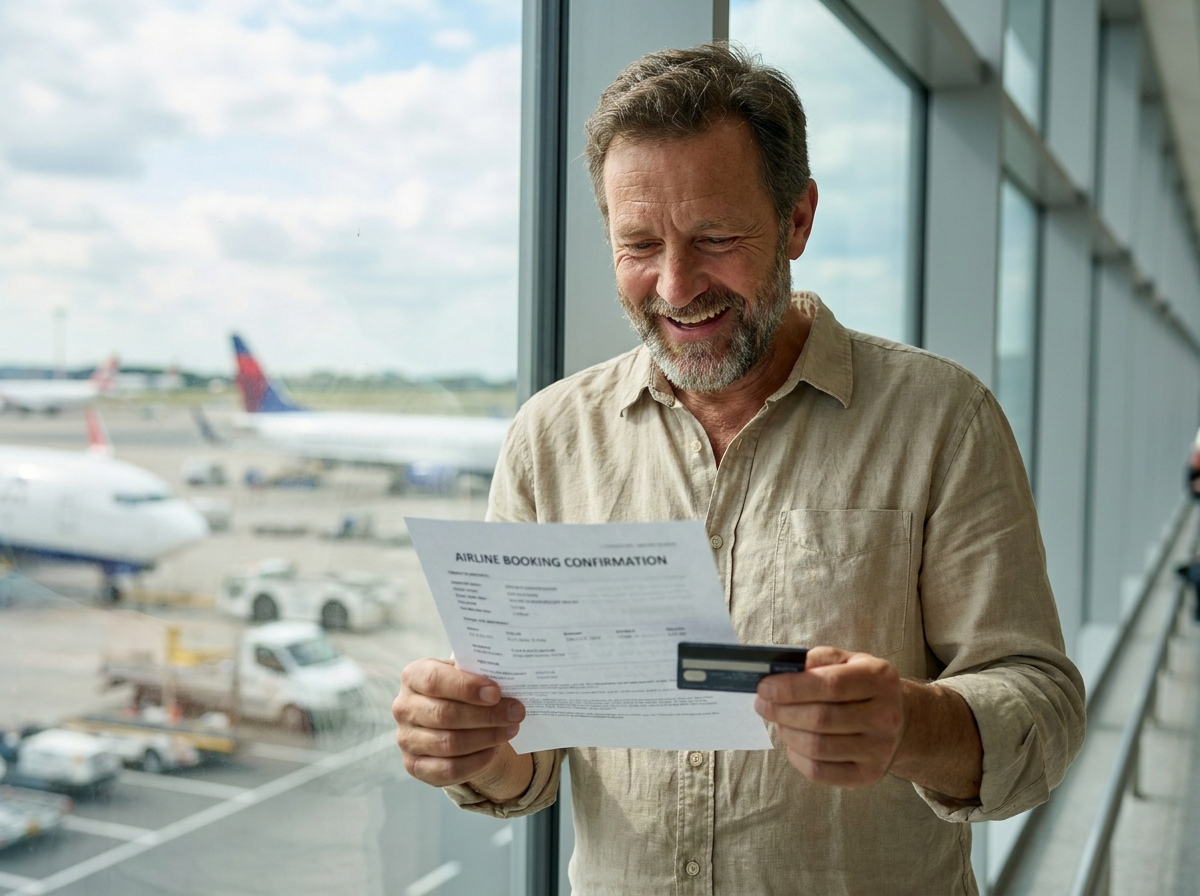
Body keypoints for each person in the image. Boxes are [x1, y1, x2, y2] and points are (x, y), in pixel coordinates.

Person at [393, 43, 1085, 894]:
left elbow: (1044, 711)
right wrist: (474, 747)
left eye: (715, 239)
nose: (676, 286)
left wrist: (913, 724)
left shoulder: (943, 419)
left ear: (797, 220)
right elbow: (527, 763)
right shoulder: (550, 437)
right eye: (638, 244)